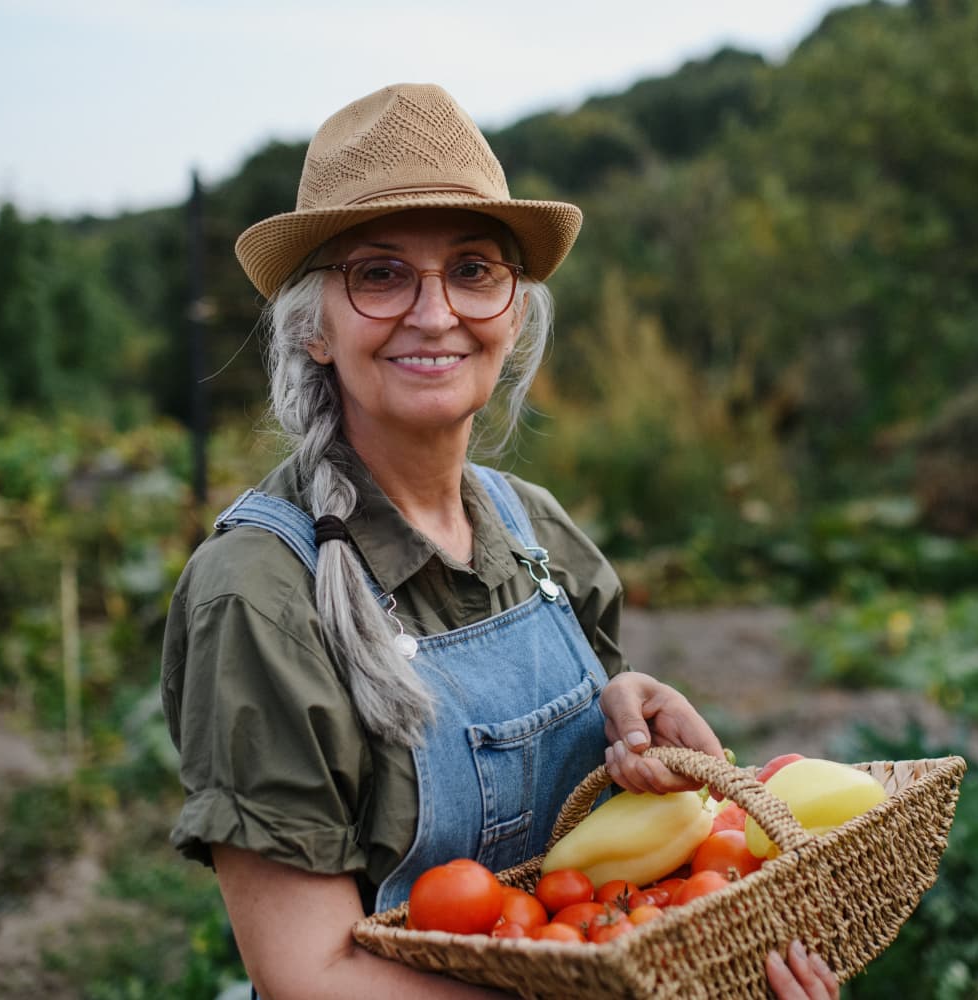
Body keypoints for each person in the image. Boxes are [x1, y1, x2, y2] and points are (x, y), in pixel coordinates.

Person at [160, 83, 840, 999]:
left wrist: (628, 725)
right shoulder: (259, 593)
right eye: (380, 272)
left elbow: (588, 878)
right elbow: (309, 978)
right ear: (313, 326)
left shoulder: (536, 532)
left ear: (515, 313)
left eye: (474, 270)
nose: (435, 313)